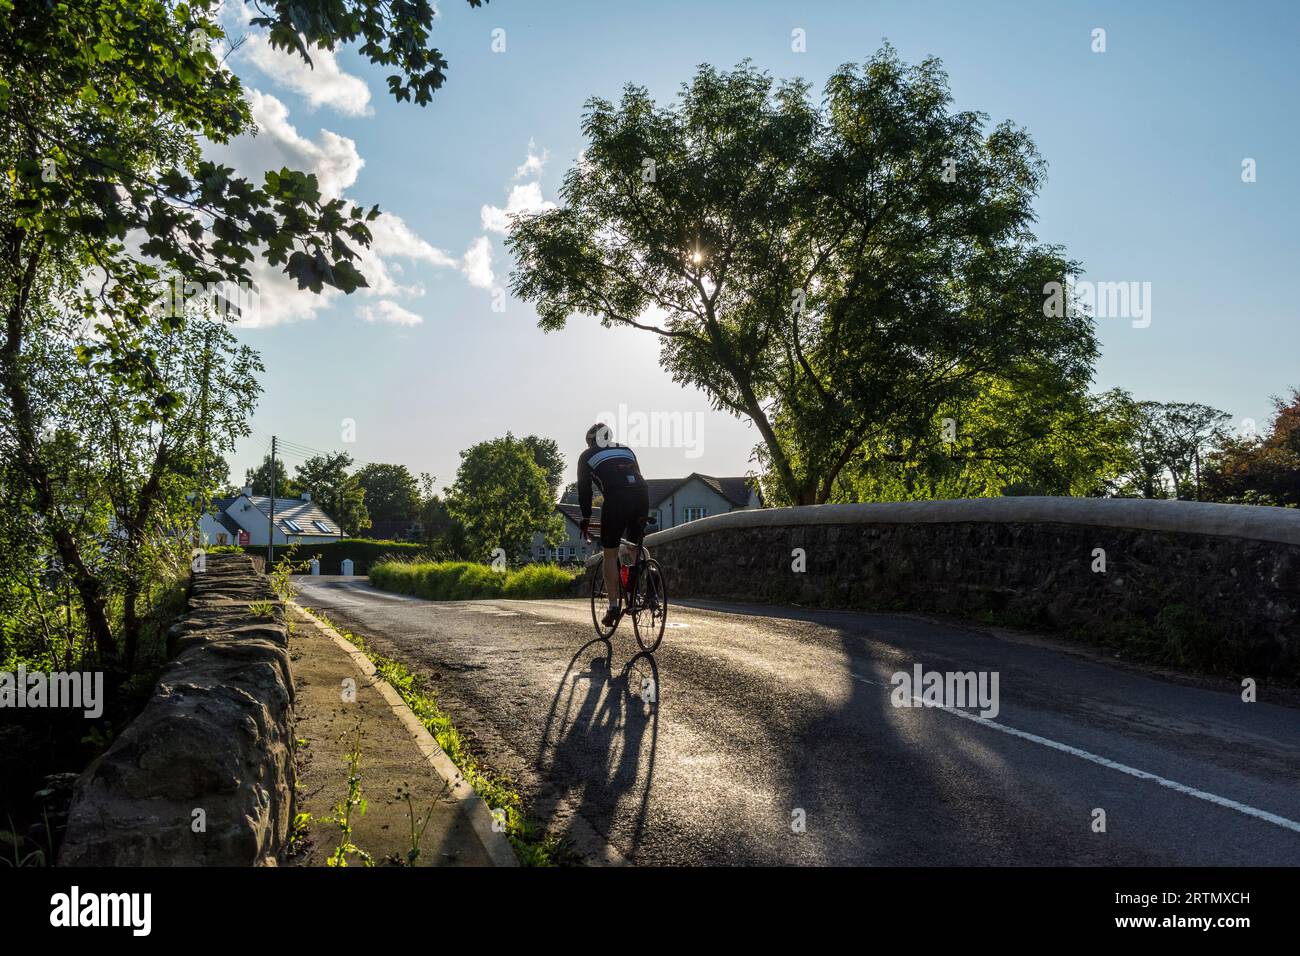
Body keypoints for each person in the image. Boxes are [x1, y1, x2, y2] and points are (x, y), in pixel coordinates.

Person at [577, 422, 649, 627]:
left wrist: (585, 517)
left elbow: (585, 490)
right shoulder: (626, 449)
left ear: (590, 441)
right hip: (642, 495)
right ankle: (649, 584)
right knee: (635, 546)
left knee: (610, 553)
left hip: (617, 500)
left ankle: (613, 607)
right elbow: (637, 476)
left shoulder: (587, 456)